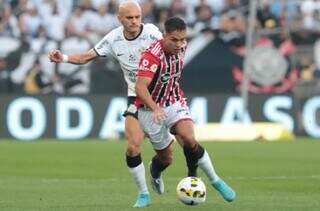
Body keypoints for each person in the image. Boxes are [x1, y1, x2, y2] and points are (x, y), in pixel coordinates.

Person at [48, 0, 164, 208]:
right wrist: (63, 57)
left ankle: (158, 170)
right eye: (129, 18)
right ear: (120, 19)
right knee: (132, 146)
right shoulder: (113, 38)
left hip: (162, 95)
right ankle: (143, 194)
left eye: (137, 17)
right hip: (136, 95)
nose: (135, 21)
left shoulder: (153, 33)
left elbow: (170, 53)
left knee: (170, 153)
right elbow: (86, 57)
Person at [135, 16, 236, 203]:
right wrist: (155, 107)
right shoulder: (151, 56)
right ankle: (155, 170)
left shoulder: (183, 46)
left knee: (189, 139)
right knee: (166, 158)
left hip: (174, 100)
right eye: (174, 40)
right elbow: (140, 87)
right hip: (150, 110)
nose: (179, 44)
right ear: (164, 36)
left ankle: (207, 179)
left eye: (183, 39)